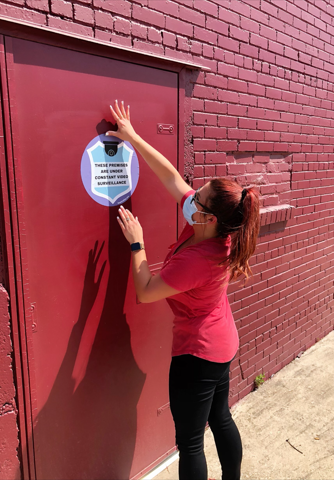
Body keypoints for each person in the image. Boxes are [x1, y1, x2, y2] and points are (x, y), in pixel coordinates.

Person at [106, 100, 260, 480]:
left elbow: (145, 291)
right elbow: (171, 177)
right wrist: (133, 137)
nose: (191, 196)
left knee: (190, 441)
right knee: (220, 417)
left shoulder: (199, 259)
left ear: (208, 217)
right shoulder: (212, 226)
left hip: (200, 353)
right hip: (221, 340)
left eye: (199, 197)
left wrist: (137, 243)